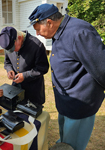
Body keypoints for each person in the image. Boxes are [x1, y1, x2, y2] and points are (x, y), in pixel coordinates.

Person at [28, 3, 105, 150]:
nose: (37, 33)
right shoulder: (59, 31)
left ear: (49, 23)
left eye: (38, 29)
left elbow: (102, 69)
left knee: (71, 147)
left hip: (80, 106)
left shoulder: (80, 32)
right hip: (66, 103)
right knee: (64, 141)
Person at [0, 27, 49, 106]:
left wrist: (25, 75)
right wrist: (9, 70)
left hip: (33, 92)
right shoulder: (9, 44)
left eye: (13, 48)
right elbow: (7, 62)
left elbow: (43, 68)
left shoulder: (37, 46)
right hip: (16, 90)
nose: (13, 51)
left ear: (19, 38)